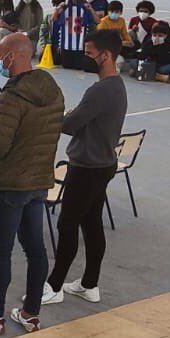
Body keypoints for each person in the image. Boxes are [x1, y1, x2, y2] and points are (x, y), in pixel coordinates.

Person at [0, 32, 65, 336]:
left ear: (13, 56)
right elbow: (33, 126)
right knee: (35, 249)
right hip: (38, 181)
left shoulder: (11, 96)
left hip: (8, 184)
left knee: (0, 252)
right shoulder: (51, 89)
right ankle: (31, 313)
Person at [41, 30, 127, 310]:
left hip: (86, 167)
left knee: (67, 225)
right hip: (103, 164)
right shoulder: (116, 86)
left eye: (90, 53)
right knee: (91, 223)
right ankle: (89, 284)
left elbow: (69, 124)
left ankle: (54, 286)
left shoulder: (100, 91)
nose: (85, 58)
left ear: (105, 55)